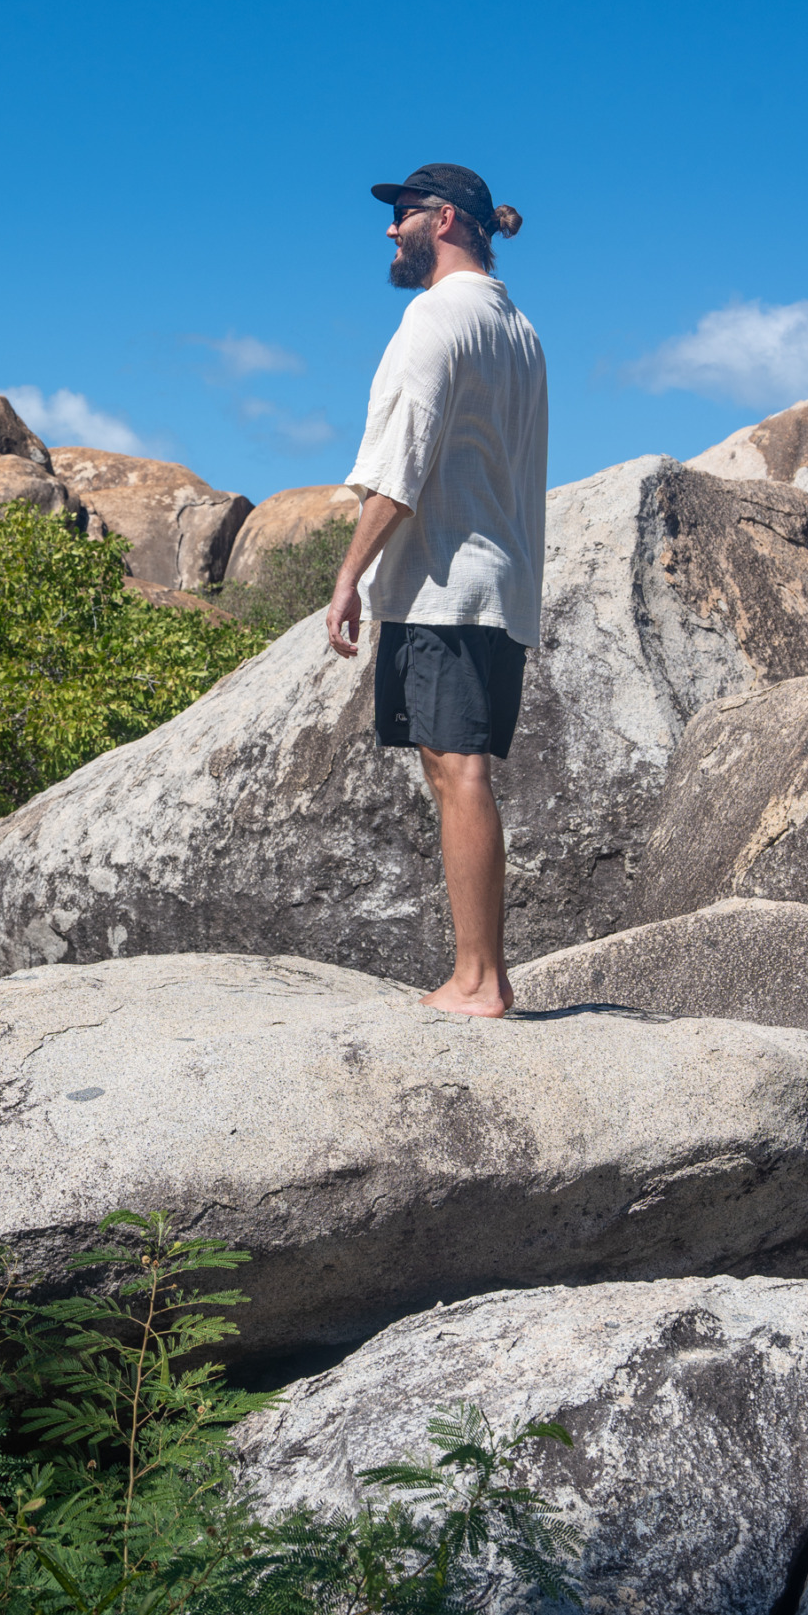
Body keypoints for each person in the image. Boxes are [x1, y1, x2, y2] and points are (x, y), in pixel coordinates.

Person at [323, 162, 547, 1018]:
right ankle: (480, 973)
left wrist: (348, 575)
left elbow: (397, 465)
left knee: (457, 774)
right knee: (460, 770)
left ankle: (478, 982)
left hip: (443, 584)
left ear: (444, 219)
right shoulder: (517, 327)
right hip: (500, 584)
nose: (390, 230)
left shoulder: (435, 316)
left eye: (402, 215)